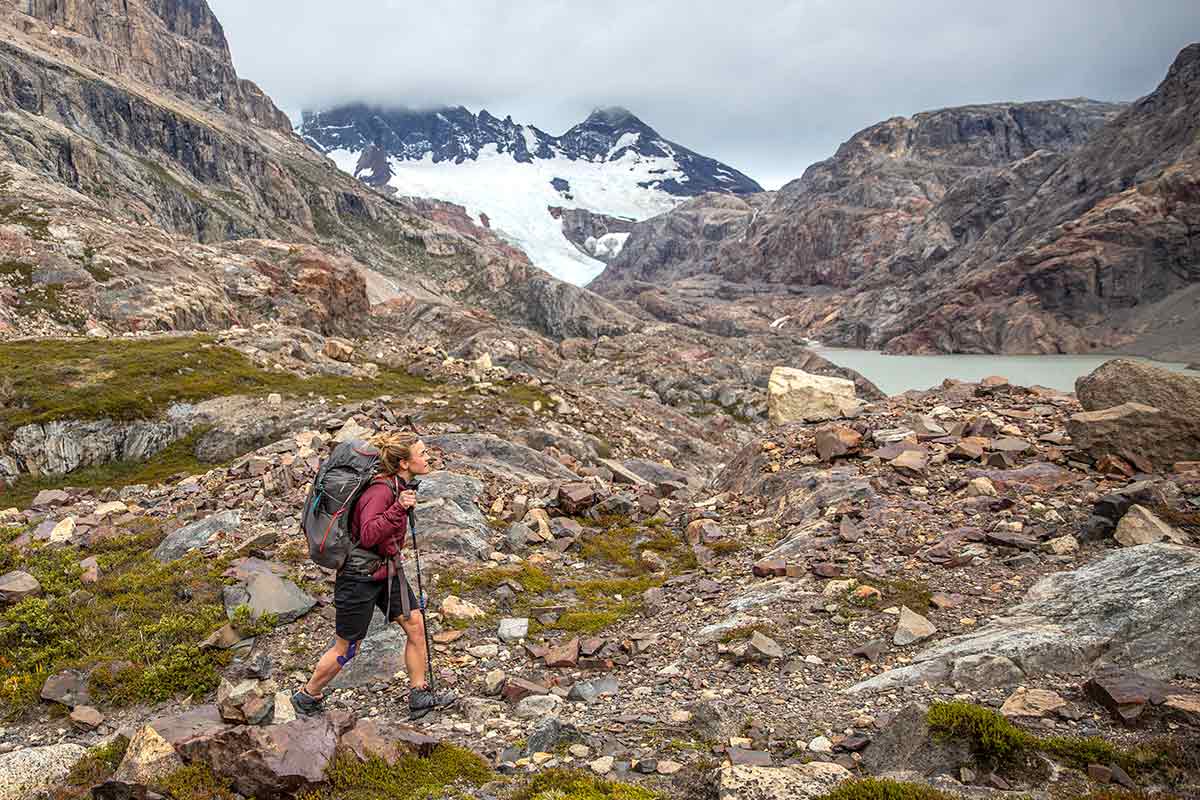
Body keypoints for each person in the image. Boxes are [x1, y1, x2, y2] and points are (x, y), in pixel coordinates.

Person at [291, 432, 456, 720]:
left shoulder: (397, 485)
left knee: (416, 625)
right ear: (404, 462)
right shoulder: (380, 491)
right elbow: (368, 535)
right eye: (423, 452)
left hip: (387, 569)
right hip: (358, 577)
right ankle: (308, 695)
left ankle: (420, 694)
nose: (428, 456)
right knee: (348, 647)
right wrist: (398, 508)